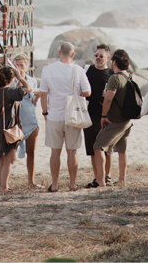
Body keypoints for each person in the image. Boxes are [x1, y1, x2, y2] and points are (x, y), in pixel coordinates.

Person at [39, 42, 91, 192]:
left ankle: (55, 184)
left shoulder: (47, 70)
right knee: (72, 151)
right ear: (73, 54)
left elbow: (43, 93)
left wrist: (45, 113)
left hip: (54, 115)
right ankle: (73, 183)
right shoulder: (78, 70)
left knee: (55, 152)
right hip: (73, 115)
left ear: (59, 52)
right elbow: (88, 92)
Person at [94, 49, 136, 187]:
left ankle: (101, 180)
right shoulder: (128, 76)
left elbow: (108, 98)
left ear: (114, 62)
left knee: (98, 146)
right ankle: (122, 180)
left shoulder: (114, 78)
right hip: (126, 120)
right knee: (122, 149)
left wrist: (103, 116)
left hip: (115, 119)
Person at [0, 66, 32, 192]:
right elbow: (28, 88)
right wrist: (20, 77)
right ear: (11, 78)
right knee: (10, 158)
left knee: (2, 156)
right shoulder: (8, 91)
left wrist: (16, 81)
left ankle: (3, 186)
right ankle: (4, 187)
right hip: (8, 128)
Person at [83, 44, 113, 189]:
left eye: (101, 56)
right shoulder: (88, 71)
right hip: (90, 113)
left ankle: (107, 176)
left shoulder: (111, 73)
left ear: (107, 57)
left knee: (107, 149)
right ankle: (97, 177)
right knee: (92, 149)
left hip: (106, 114)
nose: (98, 58)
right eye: (96, 55)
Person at [12, 53, 42, 188]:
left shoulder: (32, 80)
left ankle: (31, 181)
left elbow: (32, 101)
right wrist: (18, 77)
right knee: (10, 153)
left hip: (30, 118)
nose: (19, 67)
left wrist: (37, 98)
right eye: (16, 65)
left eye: (21, 65)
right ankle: (5, 183)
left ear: (27, 66)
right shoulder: (11, 80)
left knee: (32, 152)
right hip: (15, 120)